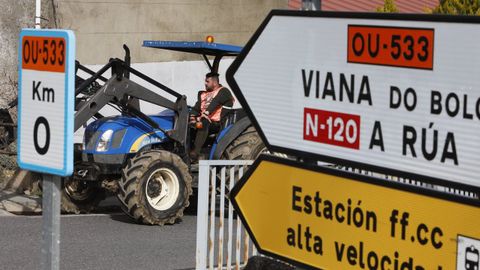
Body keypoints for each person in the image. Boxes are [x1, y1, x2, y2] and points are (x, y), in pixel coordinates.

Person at [189, 72, 234, 160]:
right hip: (203, 121)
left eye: (207, 81)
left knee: (203, 122)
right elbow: (196, 108)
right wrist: (192, 118)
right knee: (188, 124)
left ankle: (195, 153)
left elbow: (216, 102)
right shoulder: (203, 95)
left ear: (214, 82)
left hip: (217, 123)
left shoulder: (224, 91)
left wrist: (206, 113)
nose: (205, 83)